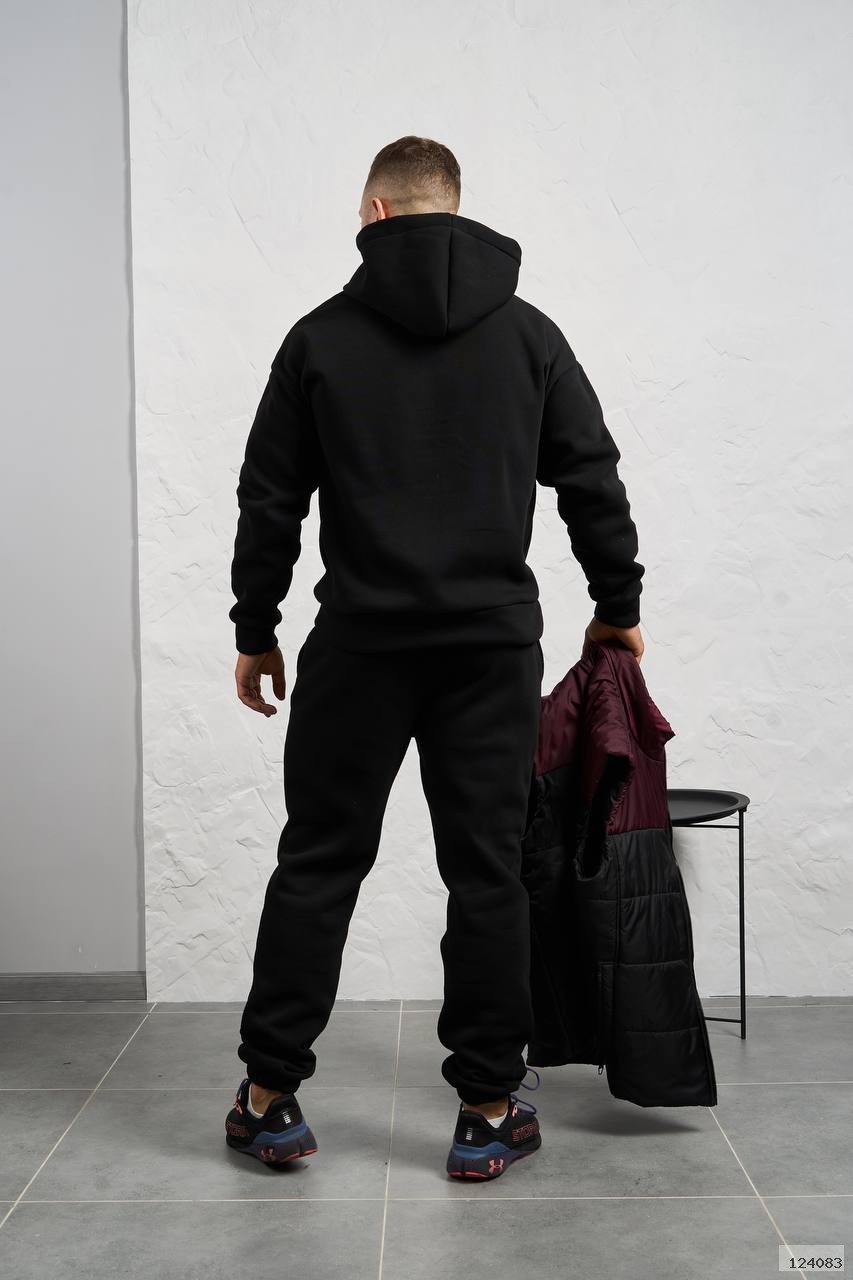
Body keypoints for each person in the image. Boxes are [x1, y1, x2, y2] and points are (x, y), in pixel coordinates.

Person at [224, 136, 645, 1180]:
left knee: (319, 860)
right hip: (488, 651)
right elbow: (590, 476)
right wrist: (616, 604)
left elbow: (269, 497)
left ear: (375, 211)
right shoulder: (529, 335)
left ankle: (269, 1098)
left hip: (358, 645)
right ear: (452, 210)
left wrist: (255, 626)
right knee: (487, 871)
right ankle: (487, 1110)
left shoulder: (318, 339)